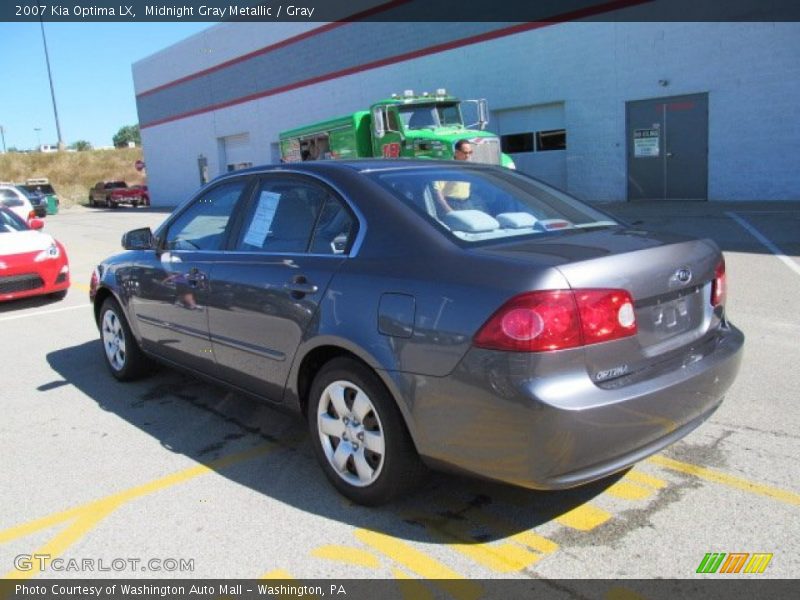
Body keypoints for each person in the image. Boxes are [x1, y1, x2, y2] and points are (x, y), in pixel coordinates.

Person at [435, 139, 475, 215]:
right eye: (465, 153)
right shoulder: (447, 168)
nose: (468, 156)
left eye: (470, 152)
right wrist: (449, 210)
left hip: (467, 203)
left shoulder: (469, 167)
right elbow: (437, 192)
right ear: (456, 152)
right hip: (452, 203)